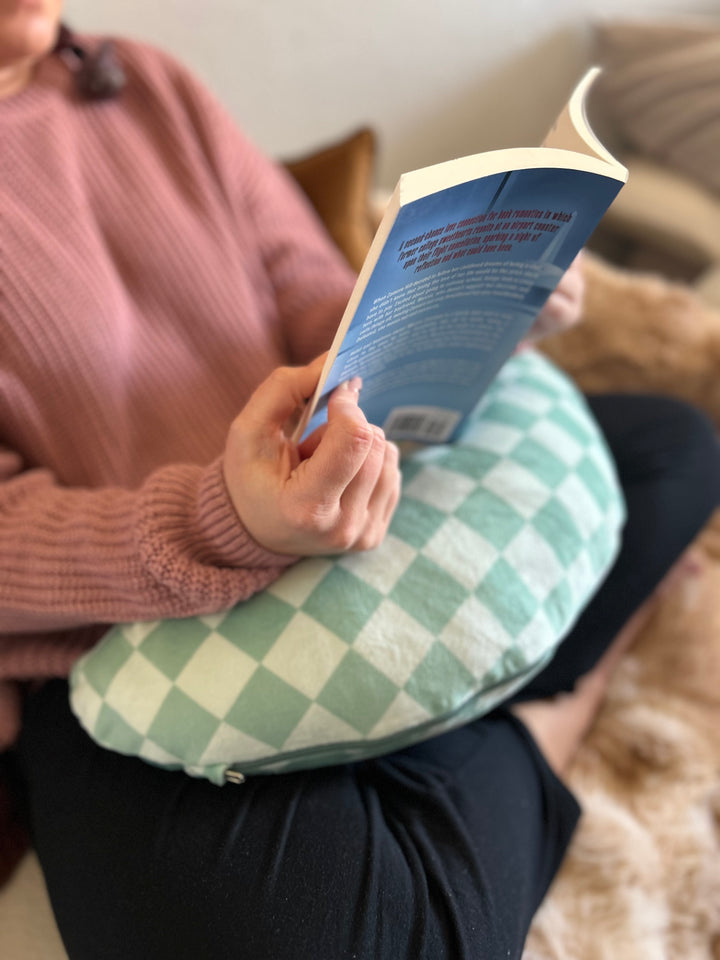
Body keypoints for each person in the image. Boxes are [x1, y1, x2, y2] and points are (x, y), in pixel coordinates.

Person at [1, 4, 719, 958]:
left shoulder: (144, 82)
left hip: (347, 506)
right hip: (123, 641)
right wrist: (228, 524)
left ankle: (441, 738)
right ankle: (543, 713)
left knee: (675, 445)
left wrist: (475, 309)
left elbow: (307, 291)